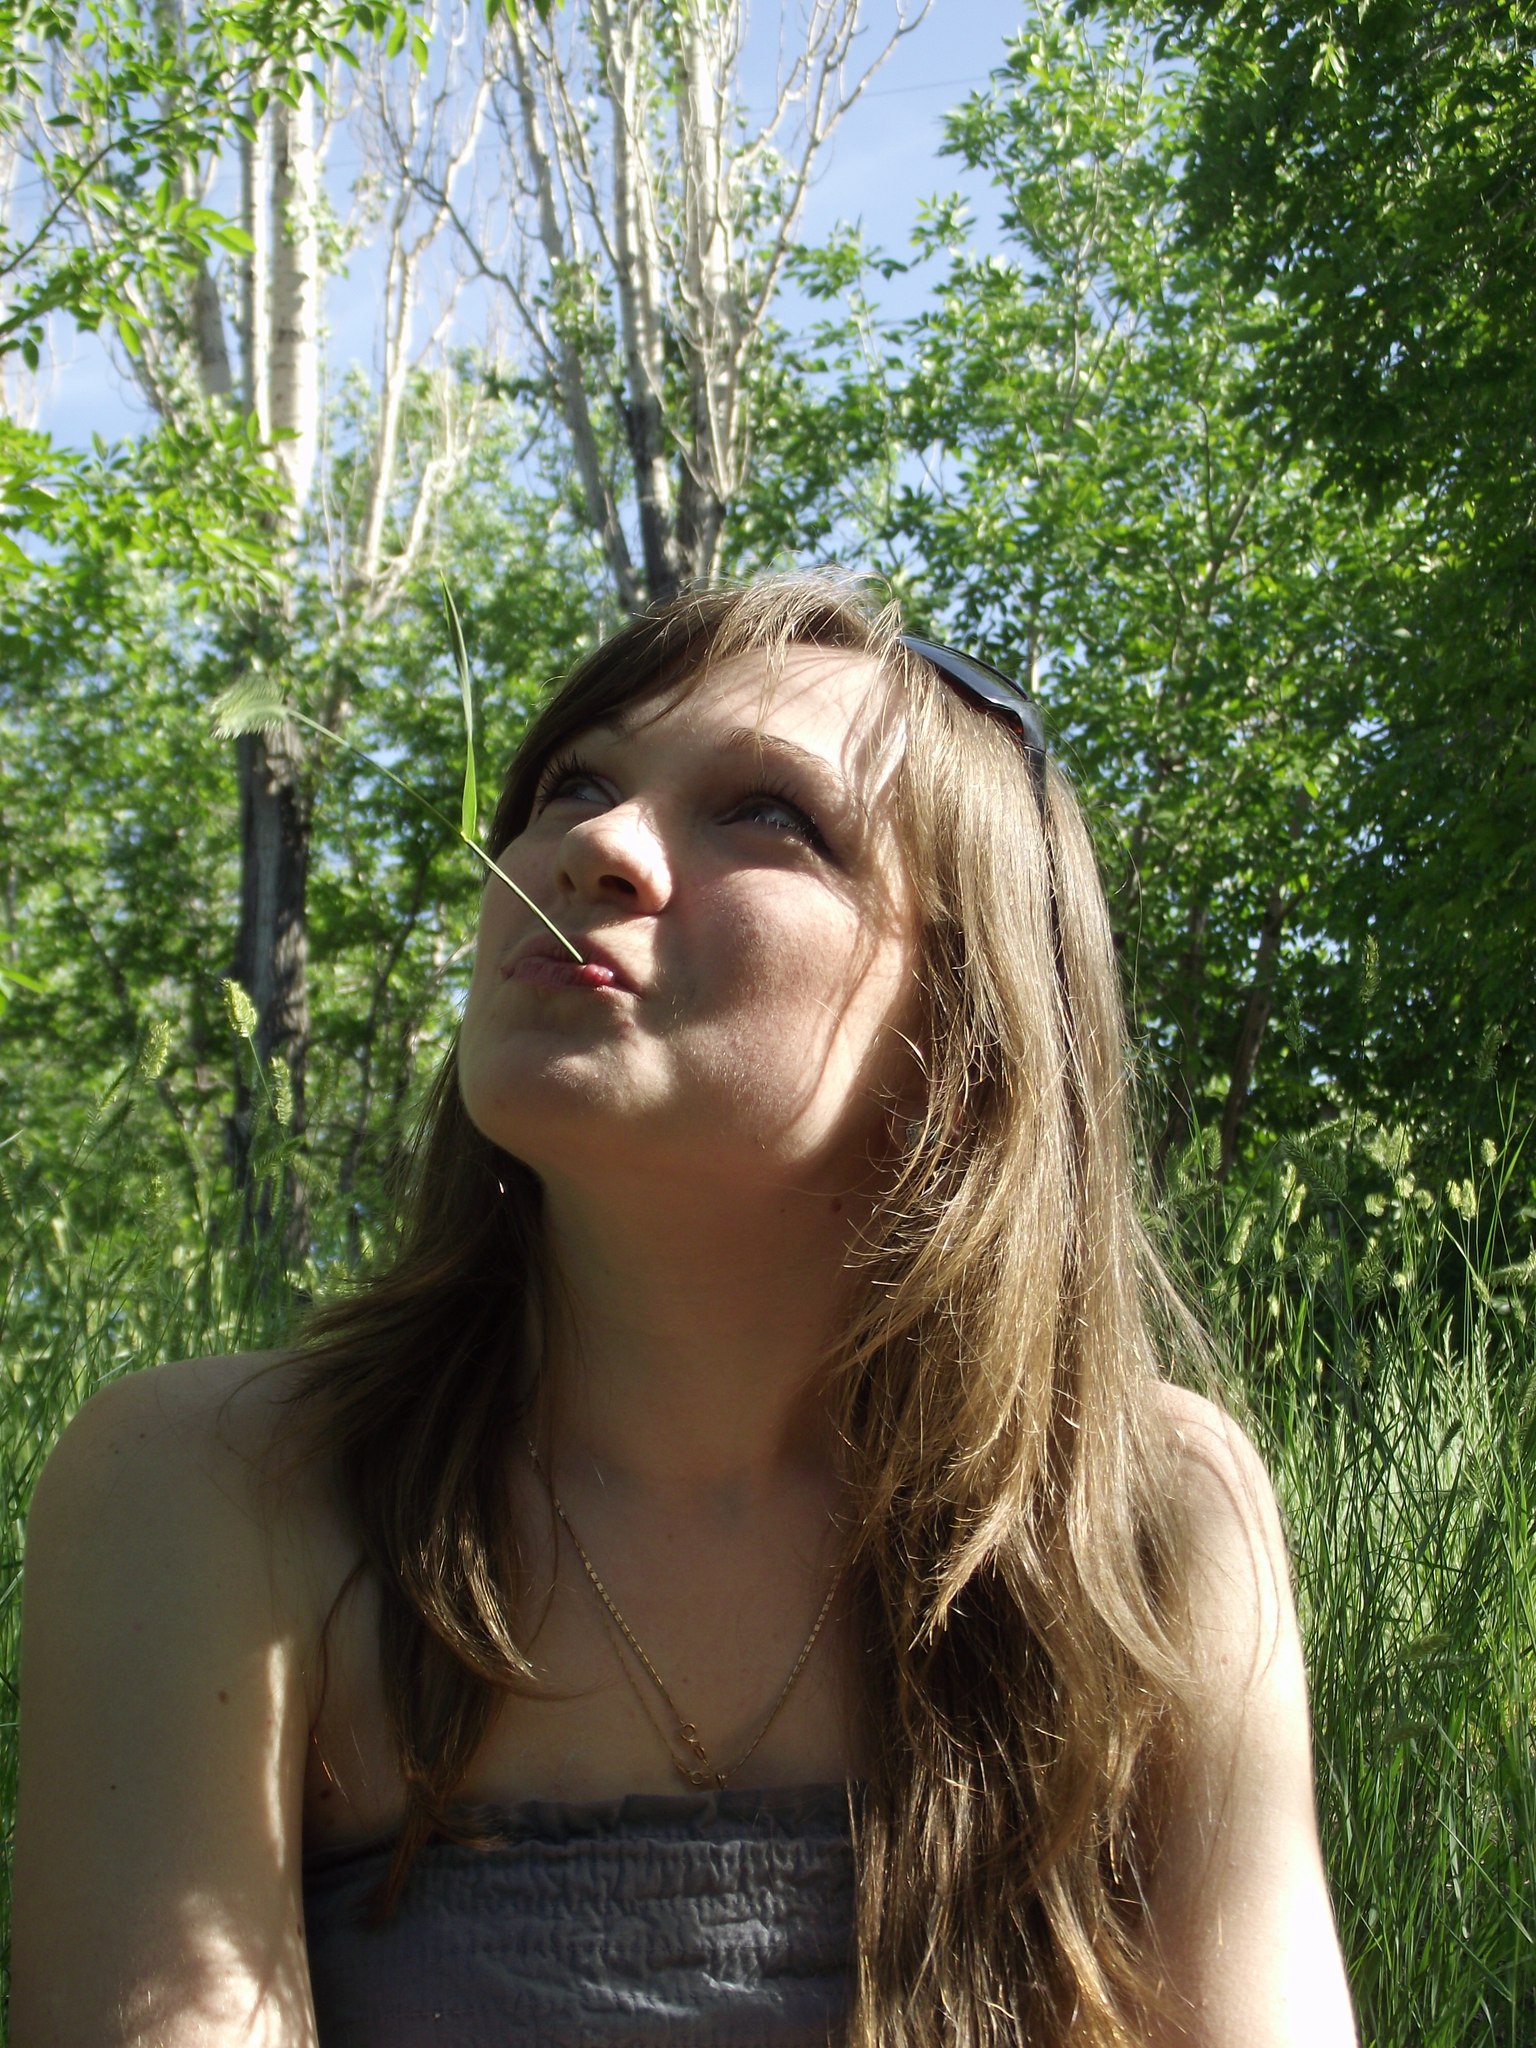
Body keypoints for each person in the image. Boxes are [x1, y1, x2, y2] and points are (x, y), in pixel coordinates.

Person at [11, 576, 1357, 2046]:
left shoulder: (1140, 1520)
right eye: (575, 786)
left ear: (966, 1032)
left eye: (769, 814)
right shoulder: (221, 1489)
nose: (590, 845)